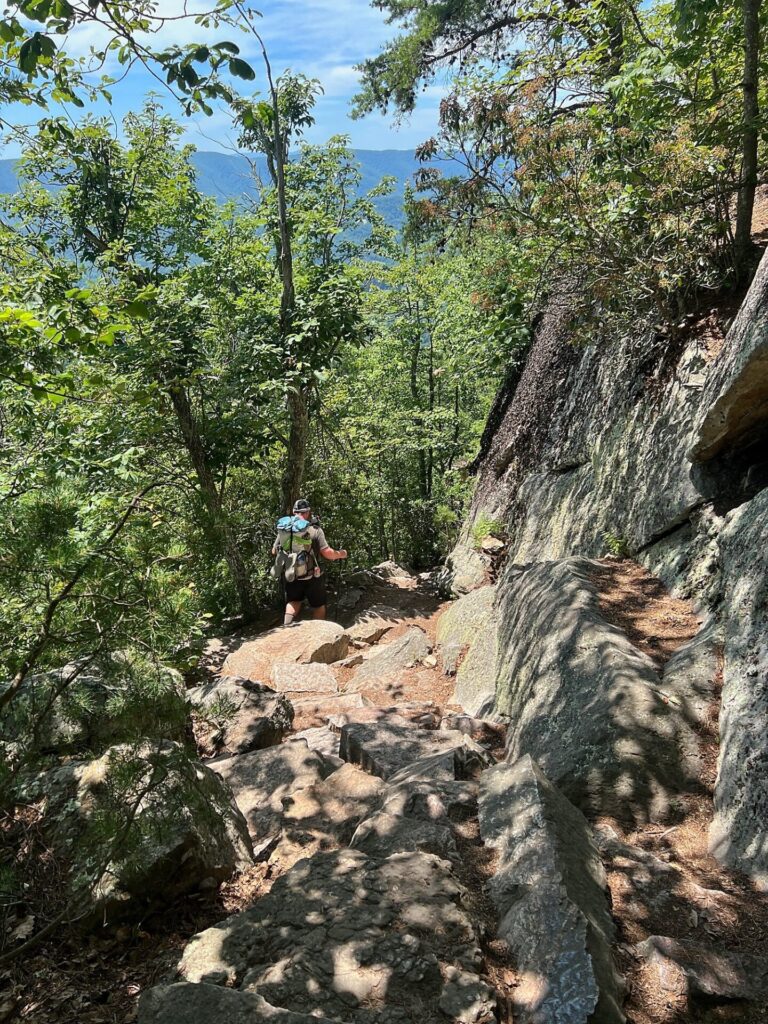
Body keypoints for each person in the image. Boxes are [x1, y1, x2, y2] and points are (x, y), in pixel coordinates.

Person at [274, 498, 348, 626]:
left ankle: (286, 627)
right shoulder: (315, 530)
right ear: (307, 512)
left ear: (293, 511)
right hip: (313, 576)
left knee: (294, 601)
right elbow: (327, 553)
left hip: (292, 574)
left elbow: (274, 551)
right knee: (319, 605)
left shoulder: (286, 530)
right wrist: (341, 554)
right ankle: (317, 635)